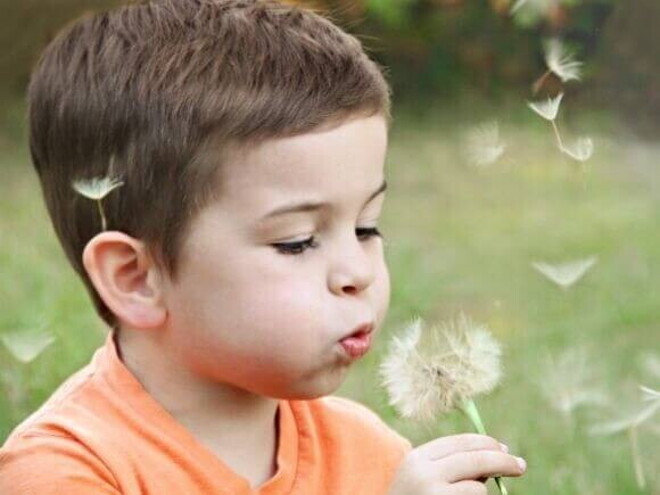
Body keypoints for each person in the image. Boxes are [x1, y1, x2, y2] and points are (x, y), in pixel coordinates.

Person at [0, 0, 527, 493]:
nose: (357, 272)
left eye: (366, 227)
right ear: (136, 278)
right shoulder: (65, 470)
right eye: (297, 242)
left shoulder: (369, 453)